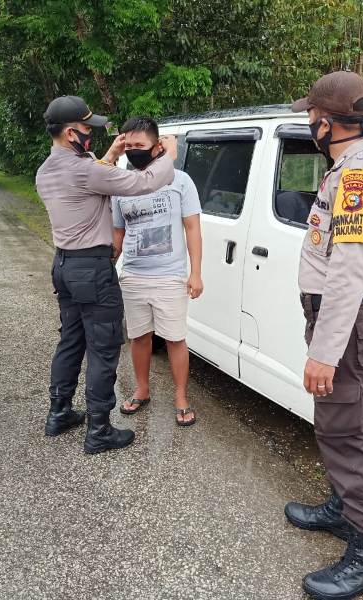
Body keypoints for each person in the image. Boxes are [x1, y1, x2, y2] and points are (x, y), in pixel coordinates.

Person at [283, 72, 363, 599]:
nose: (309, 123)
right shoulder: (348, 168)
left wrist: (324, 353)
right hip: (337, 319)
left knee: (346, 433)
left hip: (344, 325)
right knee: (335, 423)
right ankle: (340, 508)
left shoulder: (356, 178)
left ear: (327, 122)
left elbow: (349, 272)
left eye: (311, 116)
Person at [35, 95, 176, 454]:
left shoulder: (47, 169)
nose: (91, 135)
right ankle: (99, 429)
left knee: (71, 340)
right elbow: (142, 183)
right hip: (92, 268)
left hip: (65, 265)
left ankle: (59, 412)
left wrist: (111, 156)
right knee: (104, 346)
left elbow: (92, 177)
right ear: (70, 133)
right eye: (86, 129)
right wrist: (168, 156)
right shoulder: (85, 169)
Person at [111, 116, 203, 426]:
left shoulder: (180, 180)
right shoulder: (121, 185)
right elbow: (117, 235)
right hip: (134, 275)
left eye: (141, 146)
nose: (134, 151)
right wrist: (106, 267)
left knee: (175, 338)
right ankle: (142, 389)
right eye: (130, 146)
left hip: (169, 275)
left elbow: (192, 228)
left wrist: (196, 273)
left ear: (157, 147)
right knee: (139, 337)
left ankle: (180, 397)